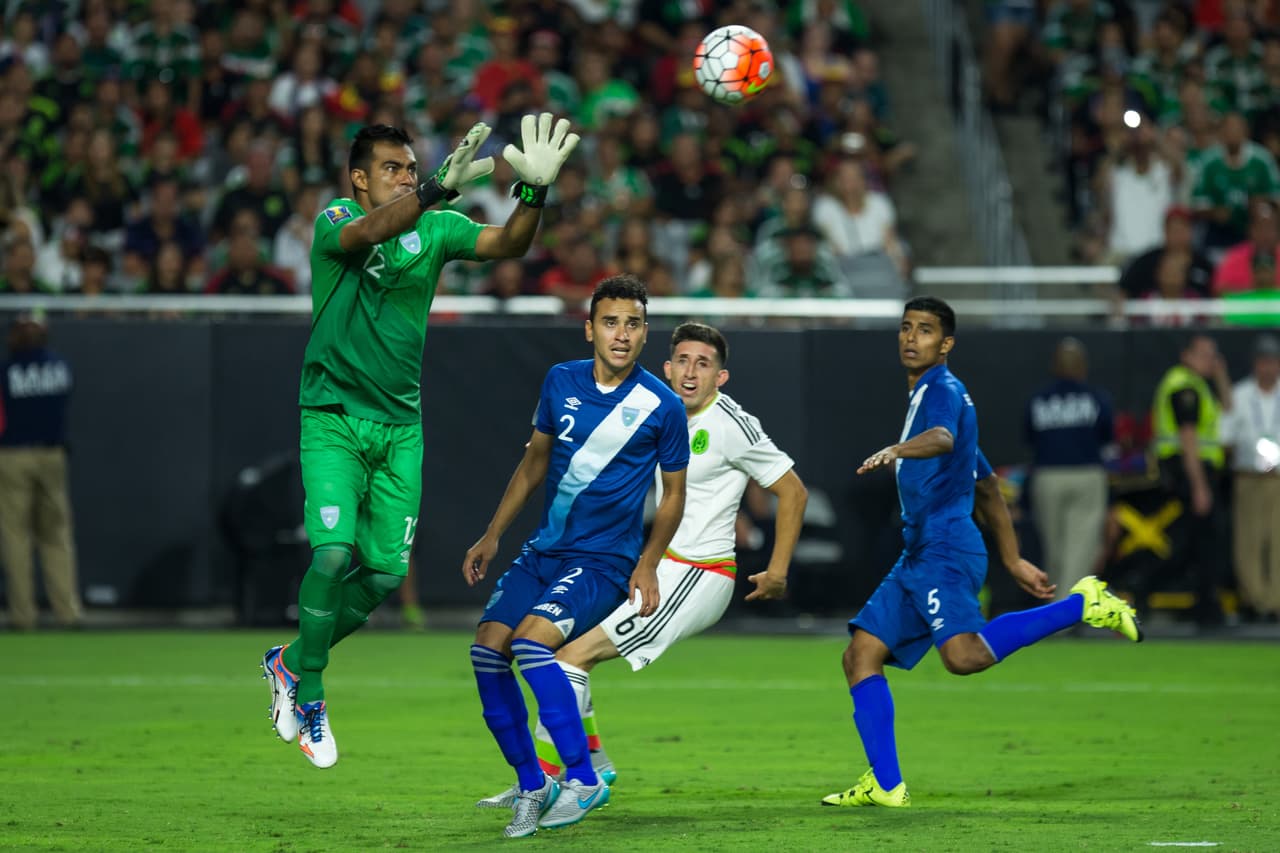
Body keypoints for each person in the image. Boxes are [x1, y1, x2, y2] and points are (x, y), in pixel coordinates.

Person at [259, 112, 581, 770]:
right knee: (331, 554)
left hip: (401, 426)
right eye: (391, 168)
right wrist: (430, 188)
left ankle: (289, 661)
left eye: (409, 166)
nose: (404, 176)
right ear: (359, 178)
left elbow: (508, 245)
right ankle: (313, 691)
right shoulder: (335, 222)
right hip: (332, 416)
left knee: (382, 572)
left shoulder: (435, 229)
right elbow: (372, 230)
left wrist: (534, 192)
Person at [821, 296, 1141, 809]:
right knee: (860, 654)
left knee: (964, 657)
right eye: (906, 328)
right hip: (921, 550)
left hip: (944, 549)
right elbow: (989, 486)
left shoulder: (941, 391)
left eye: (925, 330)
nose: (910, 337)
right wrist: (1012, 560)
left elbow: (944, 439)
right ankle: (886, 783)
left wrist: (898, 449)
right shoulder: (931, 398)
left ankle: (1084, 604)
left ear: (945, 344)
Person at [485, 321, 809, 786]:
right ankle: (592, 761)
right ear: (667, 367)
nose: (690, 372)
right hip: (650, 565)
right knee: (559, 648)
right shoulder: (658, 409)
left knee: (566, 661)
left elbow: (792, 491)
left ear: (721, 377)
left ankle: (547, 781)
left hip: (698, 572)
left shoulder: (732, 424)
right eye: (682, 360)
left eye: (704, 363)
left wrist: (777, 571)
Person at [462, 276, 689, 838]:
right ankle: (532, 785)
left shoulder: (661, 406)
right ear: (590, 328)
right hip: (545, 552)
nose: (622, 334)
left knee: (532, 645)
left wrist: (648, 562)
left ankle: (584, 779)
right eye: (611, 322)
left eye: (633, 323)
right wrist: (493, 534)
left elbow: (675, 493)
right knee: (487, 651)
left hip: (604, 563)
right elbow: (534, 462)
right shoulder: (559, 380)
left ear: (644, 334)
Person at [0, 311, 81, 631]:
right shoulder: (60, 367)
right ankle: (67, 612)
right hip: (52, 455)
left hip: (13, 456)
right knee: (56, 536)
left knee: (16, 537)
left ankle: (23, 615)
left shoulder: (6, 372)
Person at [1151, 334, 1233, 628]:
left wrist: (1221, 374)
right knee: (1203, 542)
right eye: (1203, 354)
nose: (1209, 360)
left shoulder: (1199, 385)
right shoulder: (1184, 387)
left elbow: (1228, 408)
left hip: (1197, 471)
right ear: (1186, 355)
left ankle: (1203, 606)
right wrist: (1200, 486)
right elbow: (1188, 438)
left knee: (1197, 542)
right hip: (1190, 471)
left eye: (1213, 354)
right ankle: (1206, 610)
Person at [1024, 338, 1115, 598]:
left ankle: (1054, 609)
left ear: (1054, 366)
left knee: (1054, 550)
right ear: (1083, 366)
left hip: (1048, 476)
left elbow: (1030, 438)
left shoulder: (1039, 400)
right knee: (1080, 548)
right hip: (1086, 474)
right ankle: (1063, 614)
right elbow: (1107, 439)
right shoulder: (1096, 398)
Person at [1219, 334, 1280, 621]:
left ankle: (1276, 601)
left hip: (1278, 478)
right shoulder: (1240, 394)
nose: (1268, 368)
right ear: (1255, 364)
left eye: (1273, 362)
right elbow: (1225, 436)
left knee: (1277, 542)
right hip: (1249, 477)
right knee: (1249, 542)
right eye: (1263, 362)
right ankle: (1255, 601)